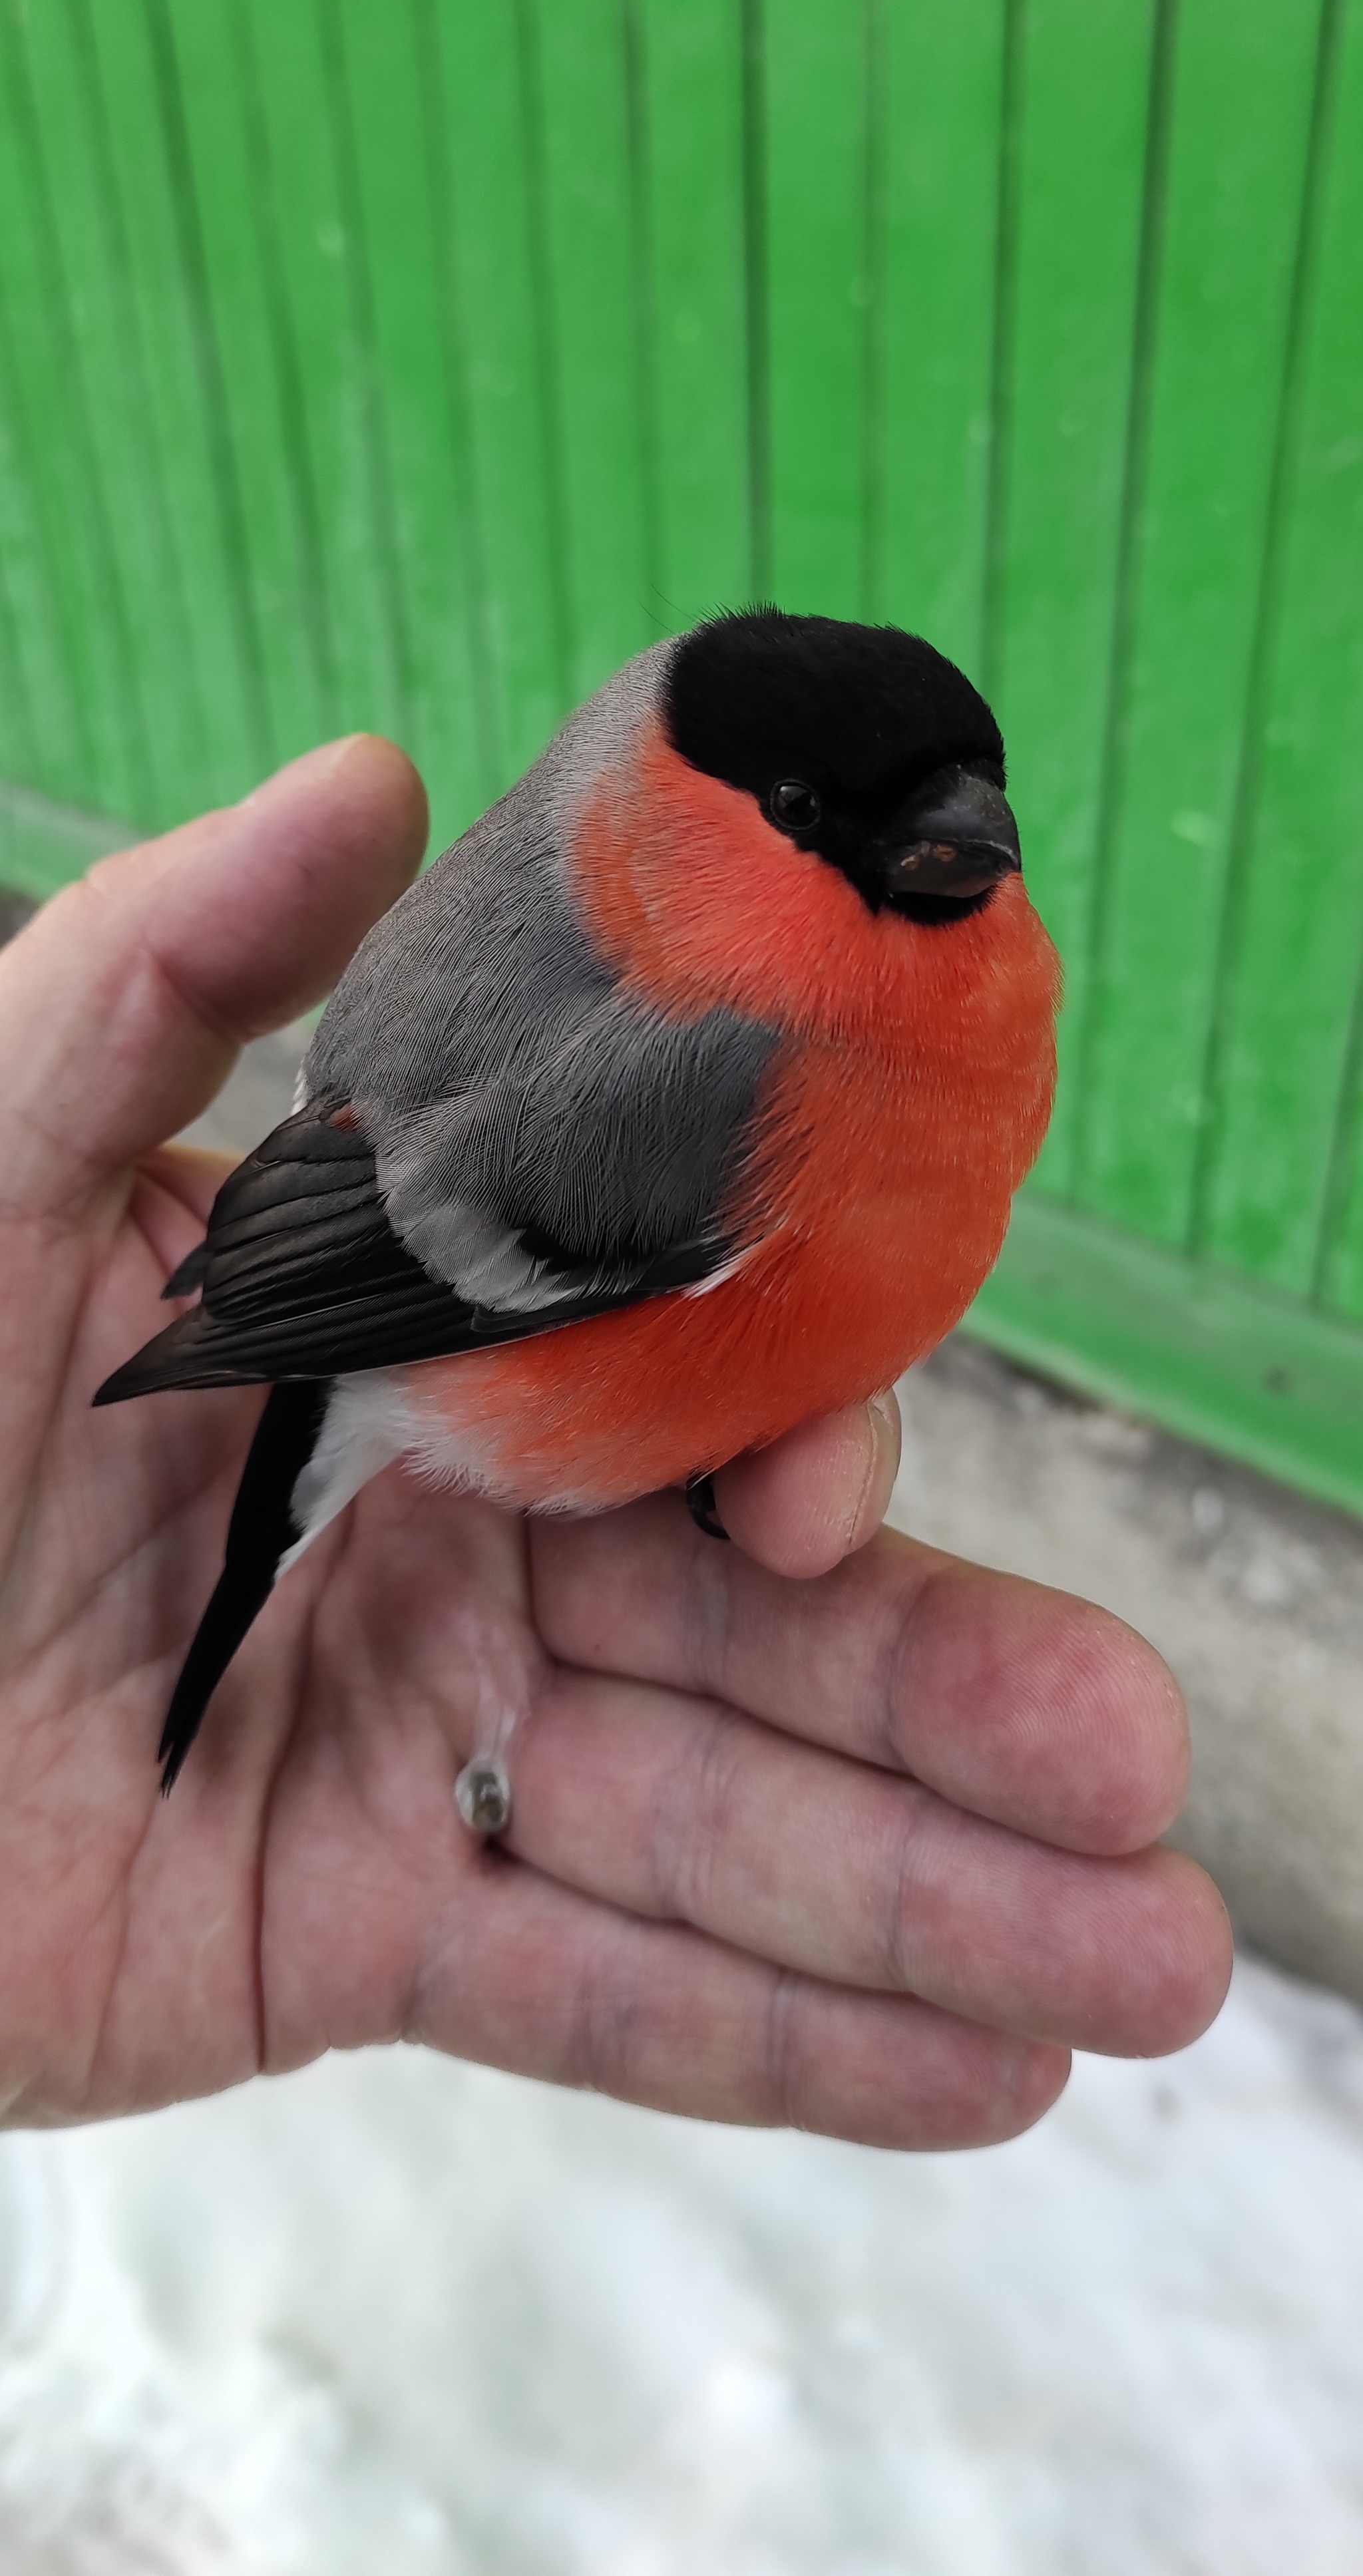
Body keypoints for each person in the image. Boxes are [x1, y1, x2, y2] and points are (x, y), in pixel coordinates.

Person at [0, 735, 1231, 2141]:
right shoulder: (721, 1081)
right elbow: (421, 1188)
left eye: (964, 786)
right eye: (817, 810)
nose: (958, 830)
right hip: (388, 1309)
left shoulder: (917, 997)